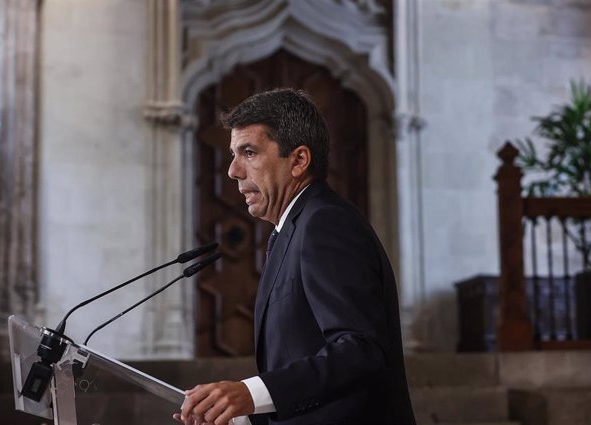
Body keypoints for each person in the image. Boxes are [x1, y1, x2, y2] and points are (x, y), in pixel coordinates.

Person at [174, 88, 415, 425]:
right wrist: (244, 417)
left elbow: (360, 351)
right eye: (233, 153)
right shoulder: (290, 231)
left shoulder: (325, 222)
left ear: (299, 160)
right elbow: (305, 371)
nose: (232, 171)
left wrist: (250, 393)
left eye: (248, 152)